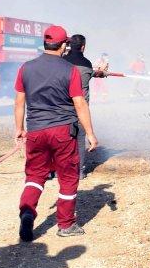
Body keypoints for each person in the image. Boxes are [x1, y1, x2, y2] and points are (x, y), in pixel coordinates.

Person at [15, 25, 98, 241]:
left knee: (34, 176)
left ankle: (27, 212)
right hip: (63, 132)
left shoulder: (26, 68)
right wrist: (90, 133)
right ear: (64, 45)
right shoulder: (69, 70)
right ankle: (66, 224)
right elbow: (79, 103)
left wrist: (19, 129)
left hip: (35, 130)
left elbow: (19, 102)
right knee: (68, 178)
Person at [61, 34, 106, 178]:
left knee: (62, 140)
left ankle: (58, 170)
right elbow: (94, 73)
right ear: (83, 47)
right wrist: (102, 71)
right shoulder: (86, 64)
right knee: (80, 139)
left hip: (63, 108)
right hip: (81, 109)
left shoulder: (62, 62)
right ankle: (79, 171)